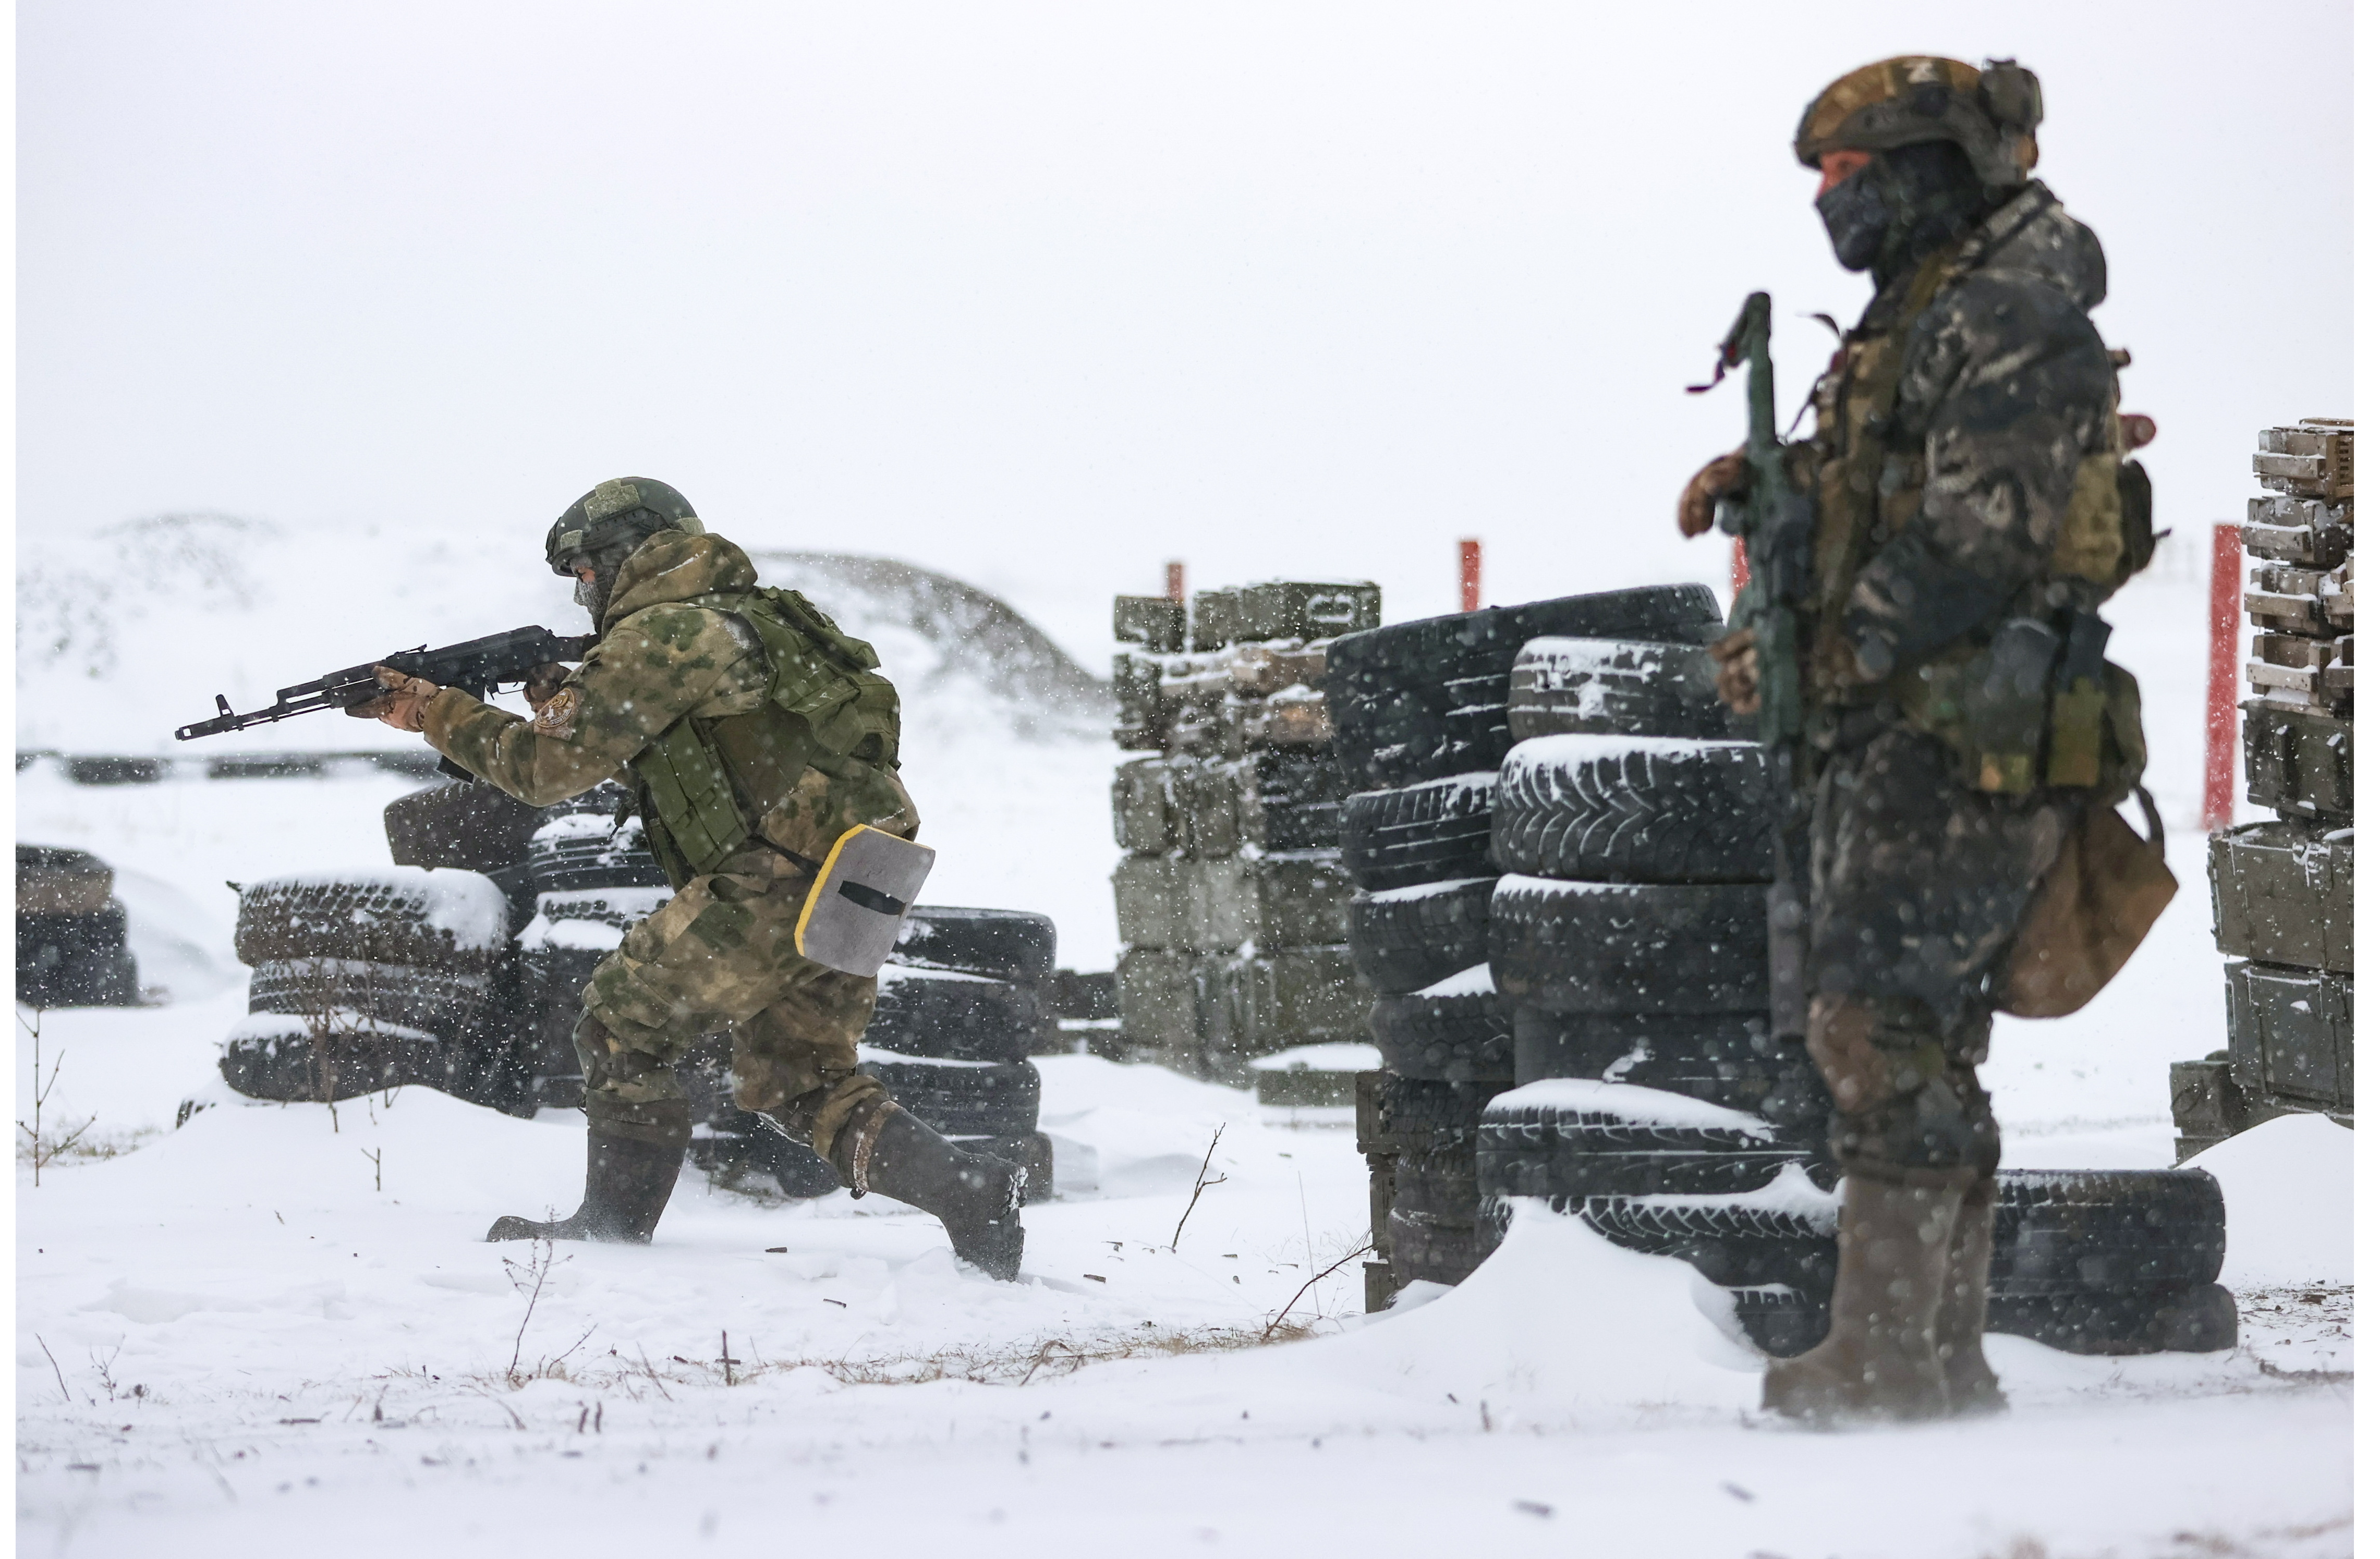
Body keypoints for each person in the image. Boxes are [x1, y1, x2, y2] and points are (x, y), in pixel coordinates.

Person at [1677, 57, 2154, 1422]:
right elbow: (1894, 478)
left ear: (1923, 166)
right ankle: (1934, 1359)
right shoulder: (1931, 307)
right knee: (1913, 1038)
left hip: (1950, 731)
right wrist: (1768, 482)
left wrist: (1843, 645)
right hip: (1906, 725)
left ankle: (1888, 1357)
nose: (1829, 200)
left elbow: (1980, 530)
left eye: (1845, 173)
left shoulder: (2008, 311)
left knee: (1875, 1027)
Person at [353, 477, 1026, 1279]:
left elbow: (542, 769)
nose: (584, 593)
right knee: (800, 1082)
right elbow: (691, 752)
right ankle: (973, 1192)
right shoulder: (762, 619)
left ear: (621, 554)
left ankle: (611, 1227)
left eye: (586, 573)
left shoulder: (663, 634)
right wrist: (561, 696)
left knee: (619, 1021)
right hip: (859, 870)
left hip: (780, 876)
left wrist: (432, 711)